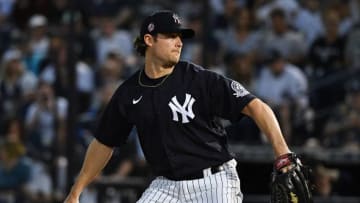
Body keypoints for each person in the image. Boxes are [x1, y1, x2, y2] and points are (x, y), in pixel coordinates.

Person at [64, 10, 293, 203]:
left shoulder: (198, 79)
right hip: (166, 187)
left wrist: (283, 153)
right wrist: (76, 191)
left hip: (213, 182)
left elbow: (256, 107)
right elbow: (104, 142)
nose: (179, 42)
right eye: (171, 36)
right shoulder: (129, 92)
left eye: (180, 36)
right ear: (149, 40)